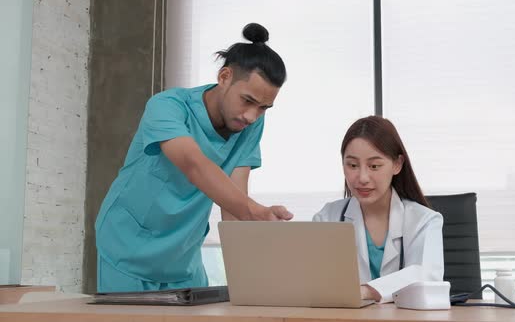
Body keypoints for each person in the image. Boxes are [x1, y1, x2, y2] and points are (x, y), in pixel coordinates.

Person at [95, 23, 293, 292]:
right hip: (127, 247)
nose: (252, 115)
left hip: (183, 258)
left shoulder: (250, 124)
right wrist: (255, 210)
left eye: (263, 108)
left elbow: (235, 202)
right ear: (224, 77)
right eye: (247, 100)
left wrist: (248, 284)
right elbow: (193, 164)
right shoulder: (167, 106)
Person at [313, 116, 443, 303]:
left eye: (374, 166)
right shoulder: (327, 218)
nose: (362, 177)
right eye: (352, 165)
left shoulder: (425, 221)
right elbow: (312, 280)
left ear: (397, 164)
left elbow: (427, 276)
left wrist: (366, 291)